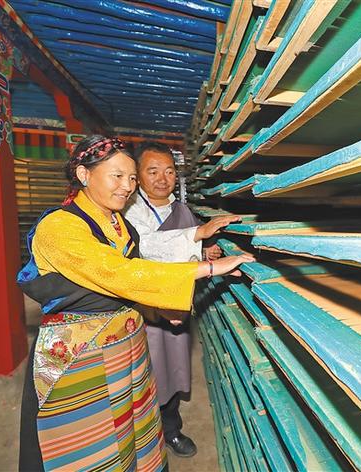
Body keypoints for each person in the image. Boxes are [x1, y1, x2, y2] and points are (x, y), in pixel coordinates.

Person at [17, 135, 253, 472]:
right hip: (81, 355)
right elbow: (118, 274)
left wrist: (157, 308)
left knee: (131, 434)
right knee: (91, 446)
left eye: (130, 177)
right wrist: (208, 268)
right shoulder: (59, 226)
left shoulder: (119, 224)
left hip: (125, 350)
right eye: (117, 176)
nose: (127, 186)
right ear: (84, 174)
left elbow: (129, 286)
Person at [124, 142, 238, 458]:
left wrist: (203, 252)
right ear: (137, 175)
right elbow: (143, 248)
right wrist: (196, 236)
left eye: (169, 171)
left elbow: (185, 255)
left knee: (172, 368)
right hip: (143, 308)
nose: (163, 179)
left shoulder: (181, 210)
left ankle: (171, 430)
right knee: (140, 373)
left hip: (176, 304)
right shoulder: (128, 210)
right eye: (153, 171)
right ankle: (138, 436)